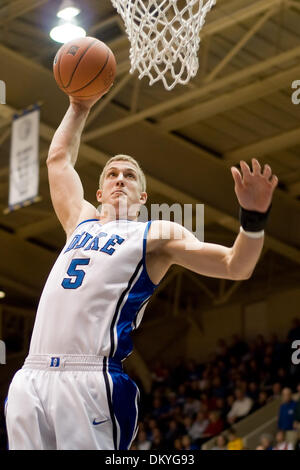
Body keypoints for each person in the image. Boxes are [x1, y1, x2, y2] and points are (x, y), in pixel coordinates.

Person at [5, 90, 278, 450]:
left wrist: (253, 219)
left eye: (130, 176)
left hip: (90, 378)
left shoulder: (155, 235)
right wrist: (79, 105)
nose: (120, 179)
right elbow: (58, 160)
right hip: (31, 375)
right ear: (99, 193)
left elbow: (235, 266)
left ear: (143, 198)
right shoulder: (79, 222)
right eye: (112, 174)